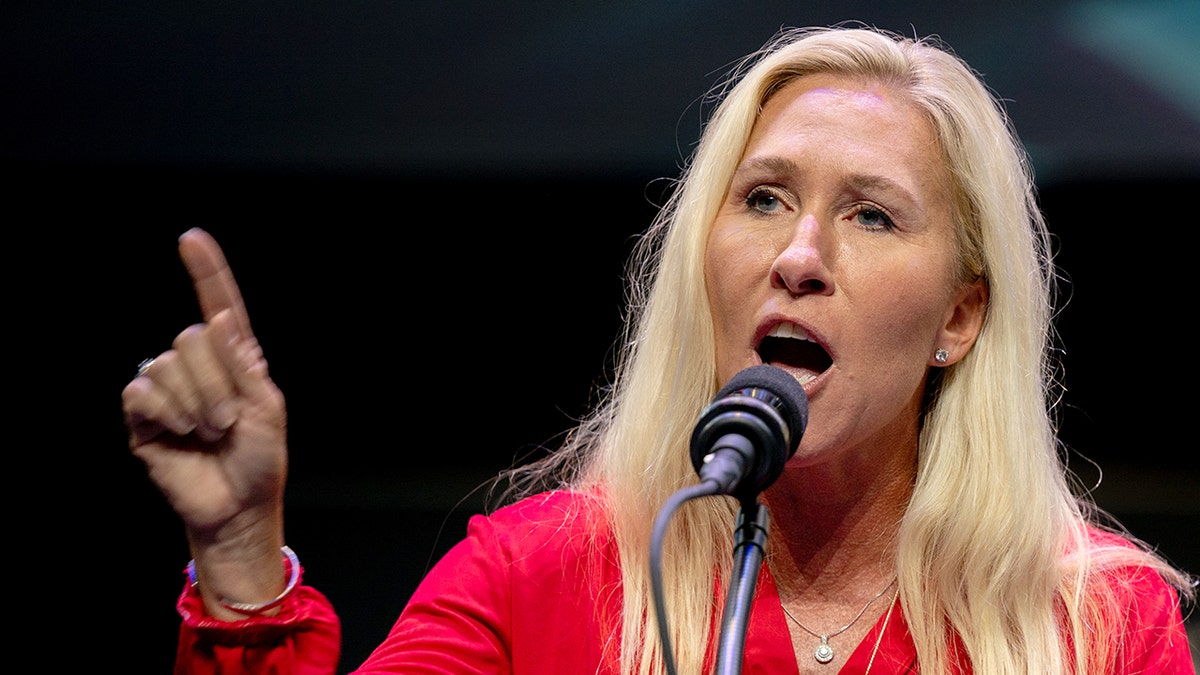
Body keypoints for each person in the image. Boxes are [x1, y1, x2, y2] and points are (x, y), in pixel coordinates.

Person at [122, 24, 1196, 674]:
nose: (799, 256)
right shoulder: (538, 577)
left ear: (960, 317)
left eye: (871, 215)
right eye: (764, 198)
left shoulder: (1094, 627)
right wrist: (239, 556)